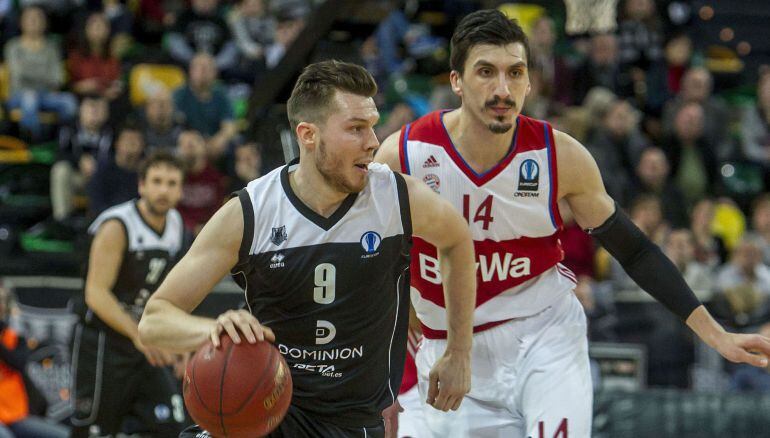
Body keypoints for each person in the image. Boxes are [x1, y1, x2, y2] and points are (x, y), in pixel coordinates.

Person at [375, 9, 770, 437]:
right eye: (486, 72)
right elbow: (364, 261)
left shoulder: (559, 156)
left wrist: (716, 334)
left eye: (515, 73)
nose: (502, 89)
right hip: (449, 347)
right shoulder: (406, 156)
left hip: (542, 339)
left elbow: (634, 250)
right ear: (456, 81)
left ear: (531, 82)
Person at [138, 60, 476, 438]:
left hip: (350, 425)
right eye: (356, 128)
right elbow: (154, 320)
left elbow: (458, 239)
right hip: (263, 411)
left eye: (373, 125)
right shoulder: (252, 211)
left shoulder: (397, 199)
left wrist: (459, 350)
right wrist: (213, 330)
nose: (373, 141)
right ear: (308, 134)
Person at [70, 151, 188, 438]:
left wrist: (182, 340)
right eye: (157, 181)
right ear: (141, 185)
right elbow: (96, 294)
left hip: (144, 342)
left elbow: (173, 295)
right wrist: (139, 335)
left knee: (172, 425)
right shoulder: (117, 225)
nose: (164, 190)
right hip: (103, 342)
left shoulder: (176, 226)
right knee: (94, 431)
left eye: (172, 183)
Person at [0, 286, 70, 438]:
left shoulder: (14, 338)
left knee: (65, 435)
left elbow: (18, 362)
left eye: (2, 301)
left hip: (15, 416)